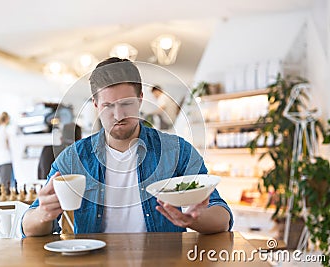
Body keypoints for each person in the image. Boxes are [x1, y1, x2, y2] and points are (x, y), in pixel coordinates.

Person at [22, 57, 233, 236]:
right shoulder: (73, 158)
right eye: (108, 106)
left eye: (126, 104)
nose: (118, 115)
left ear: (140, 99)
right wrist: (43, 214)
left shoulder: (177, 151)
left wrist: (192, 220)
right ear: (95, 105)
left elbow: (222, 218)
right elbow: (27, 227)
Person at [0, 112, 14, 195]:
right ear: (7, 119)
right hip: (5, 159)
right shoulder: (4, 130)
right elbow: (7, 146)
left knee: (3, 183)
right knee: (6, 186)